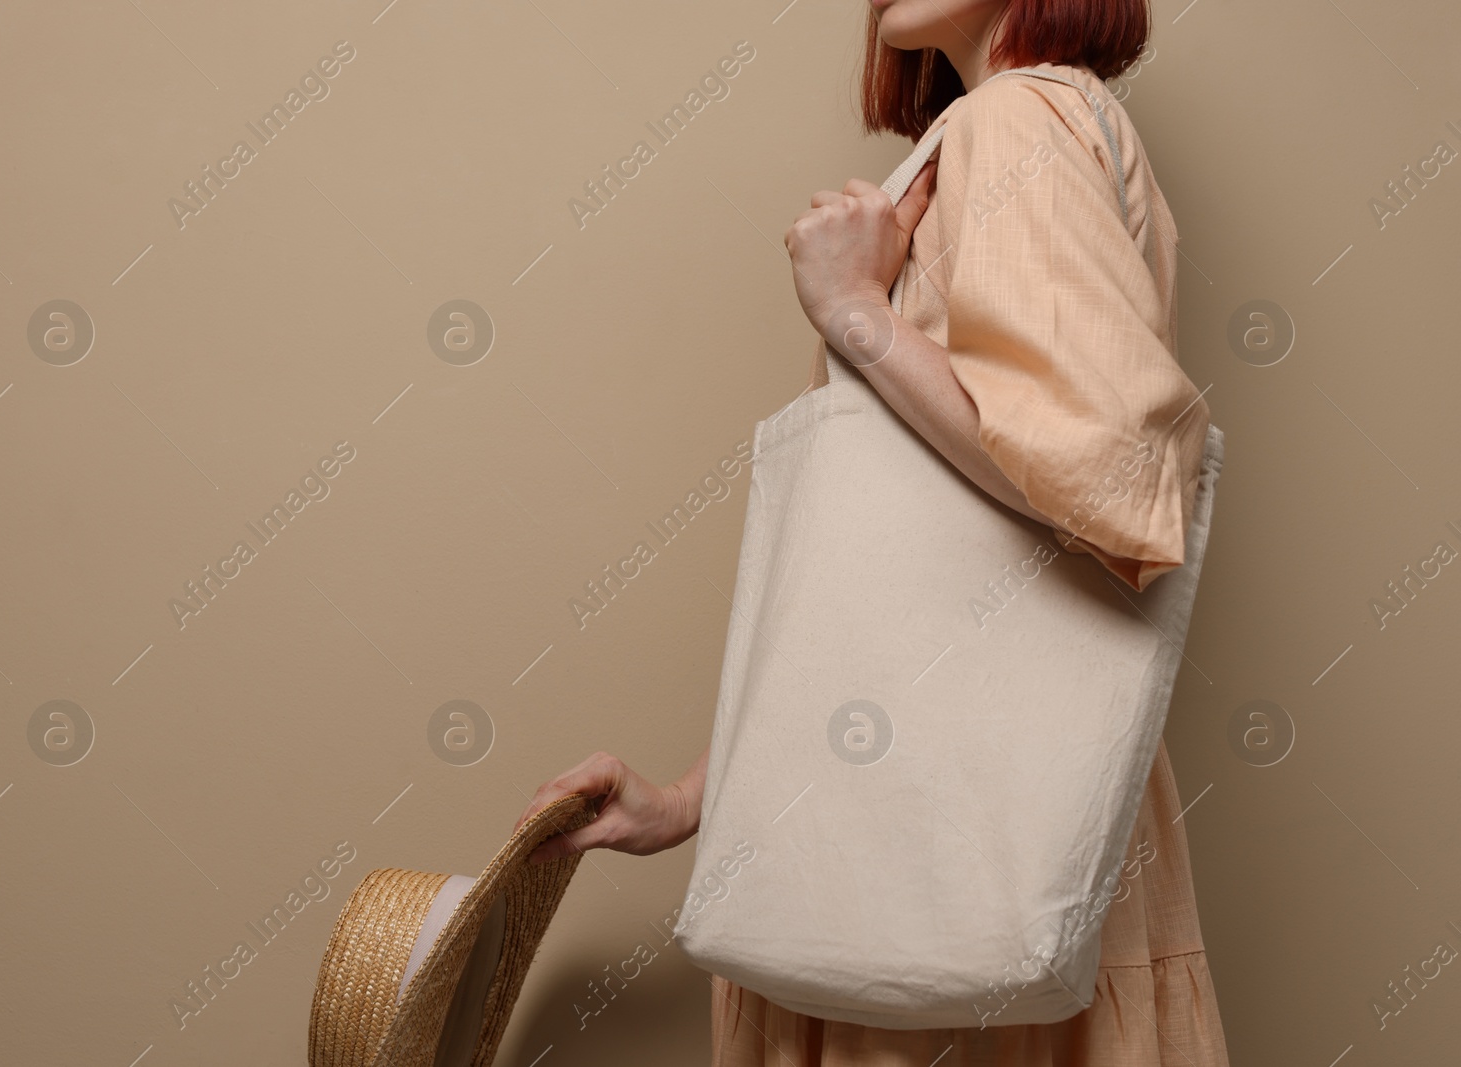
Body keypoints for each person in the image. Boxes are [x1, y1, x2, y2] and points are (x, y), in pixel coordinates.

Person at [516, 1, 1231, 1062]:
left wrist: (855, 310)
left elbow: (1111, 478)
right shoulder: (1010, 133)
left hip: (942, 848)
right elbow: (899, 593)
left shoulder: (1018, 123)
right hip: (936, 829)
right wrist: (687, 801)